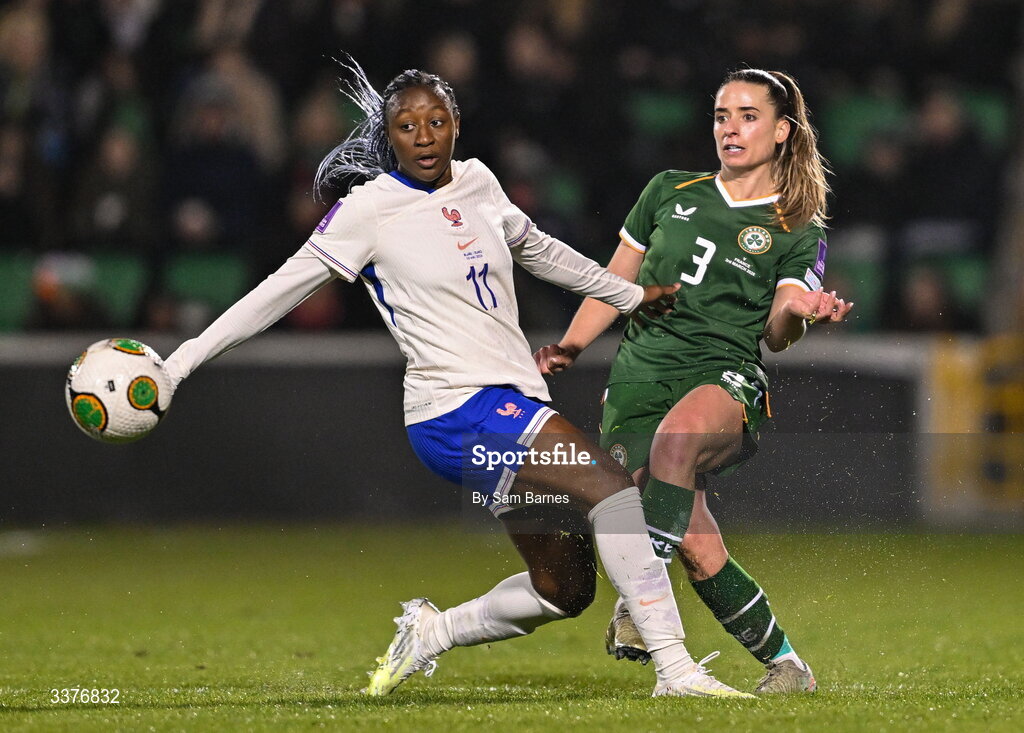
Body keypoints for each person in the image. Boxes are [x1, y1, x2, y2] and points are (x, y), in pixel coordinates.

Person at [162, 57, 753, 699]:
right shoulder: (369, 210)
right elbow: (276, 293)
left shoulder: (477, 182)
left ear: (455, 125)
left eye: (435, 120)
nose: (423, 135)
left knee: (564, 588)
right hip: (455, 411)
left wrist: (628, 295)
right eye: (407, 125)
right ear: (388, 137)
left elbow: (539, 249)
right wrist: (180, 362)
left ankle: (432, 632)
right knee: (611, 490)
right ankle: (675, 669)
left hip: (509, 401)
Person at [534, 68, 854, 694]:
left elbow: (776, 330)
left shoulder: (798, 226)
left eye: (748, 115)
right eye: (720, 115)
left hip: (722, 373)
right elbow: (615, 281)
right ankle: (788, 665)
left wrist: (801, 311)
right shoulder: (666, 190)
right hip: (639, 375)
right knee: (698, 543)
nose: (730, 128)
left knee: (677, 443)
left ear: (783, 131)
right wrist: (570, 345)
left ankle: (636, 602)